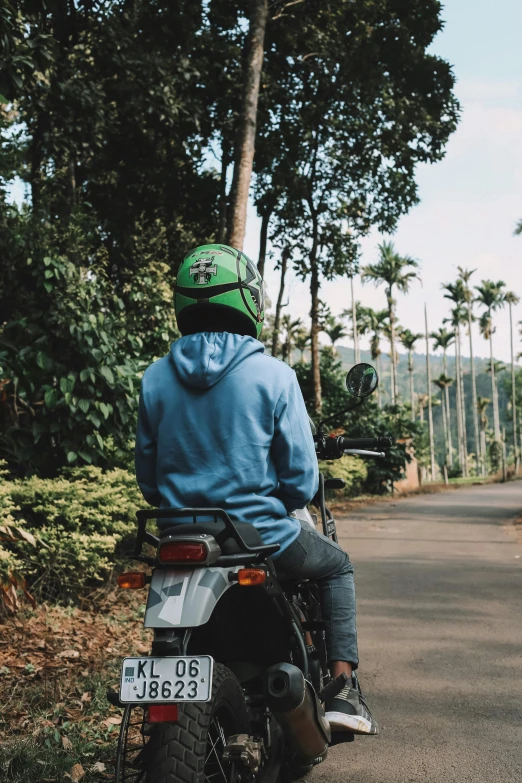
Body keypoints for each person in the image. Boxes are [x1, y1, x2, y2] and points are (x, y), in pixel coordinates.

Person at [135, 244, 377, 735]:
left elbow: (148, 477)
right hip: (258, 535)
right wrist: (280, 502)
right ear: (249, 300)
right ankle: (343, 689)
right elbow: (301, 482)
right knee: (337, 566)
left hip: (178, 534)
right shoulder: (274, 375)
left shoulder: (155, 378)